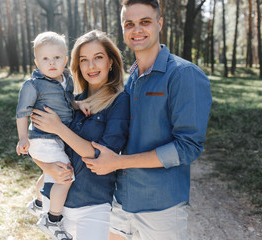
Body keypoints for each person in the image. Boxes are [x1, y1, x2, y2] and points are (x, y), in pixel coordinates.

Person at [81, 1, 213, 239]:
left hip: (161, 207)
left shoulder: (184, 74)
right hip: (121, 200)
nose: (137, 30)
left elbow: (188, 147)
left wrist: (119, 163)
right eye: (129, 24)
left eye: (145, 22)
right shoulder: (130, 80)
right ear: (123, 29)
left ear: (159, 23)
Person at [30, 30, 130, 240]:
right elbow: (40, 142)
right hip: (56, 205)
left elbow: (102, 155)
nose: (91, 66)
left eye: (98, 58)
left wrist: (59, 128)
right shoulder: (71, 100)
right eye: (84, 60)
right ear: (77, 65)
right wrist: (47, 167)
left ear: (111, 62)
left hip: (93, 205)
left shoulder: (119, 101)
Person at [15, 31, 86, 240]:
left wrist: (78, 104)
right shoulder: (33, 85)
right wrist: (22, 138)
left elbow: (67, 102)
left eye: (56, 58)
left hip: (58, 137)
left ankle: (38, 202)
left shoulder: (67, 80)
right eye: (45, 58)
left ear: (65, 59)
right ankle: (52, 220)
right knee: (65, 176)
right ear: (37, 62)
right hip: (42, 137)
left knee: (50, 173)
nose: (51, 63)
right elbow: (22, 113)